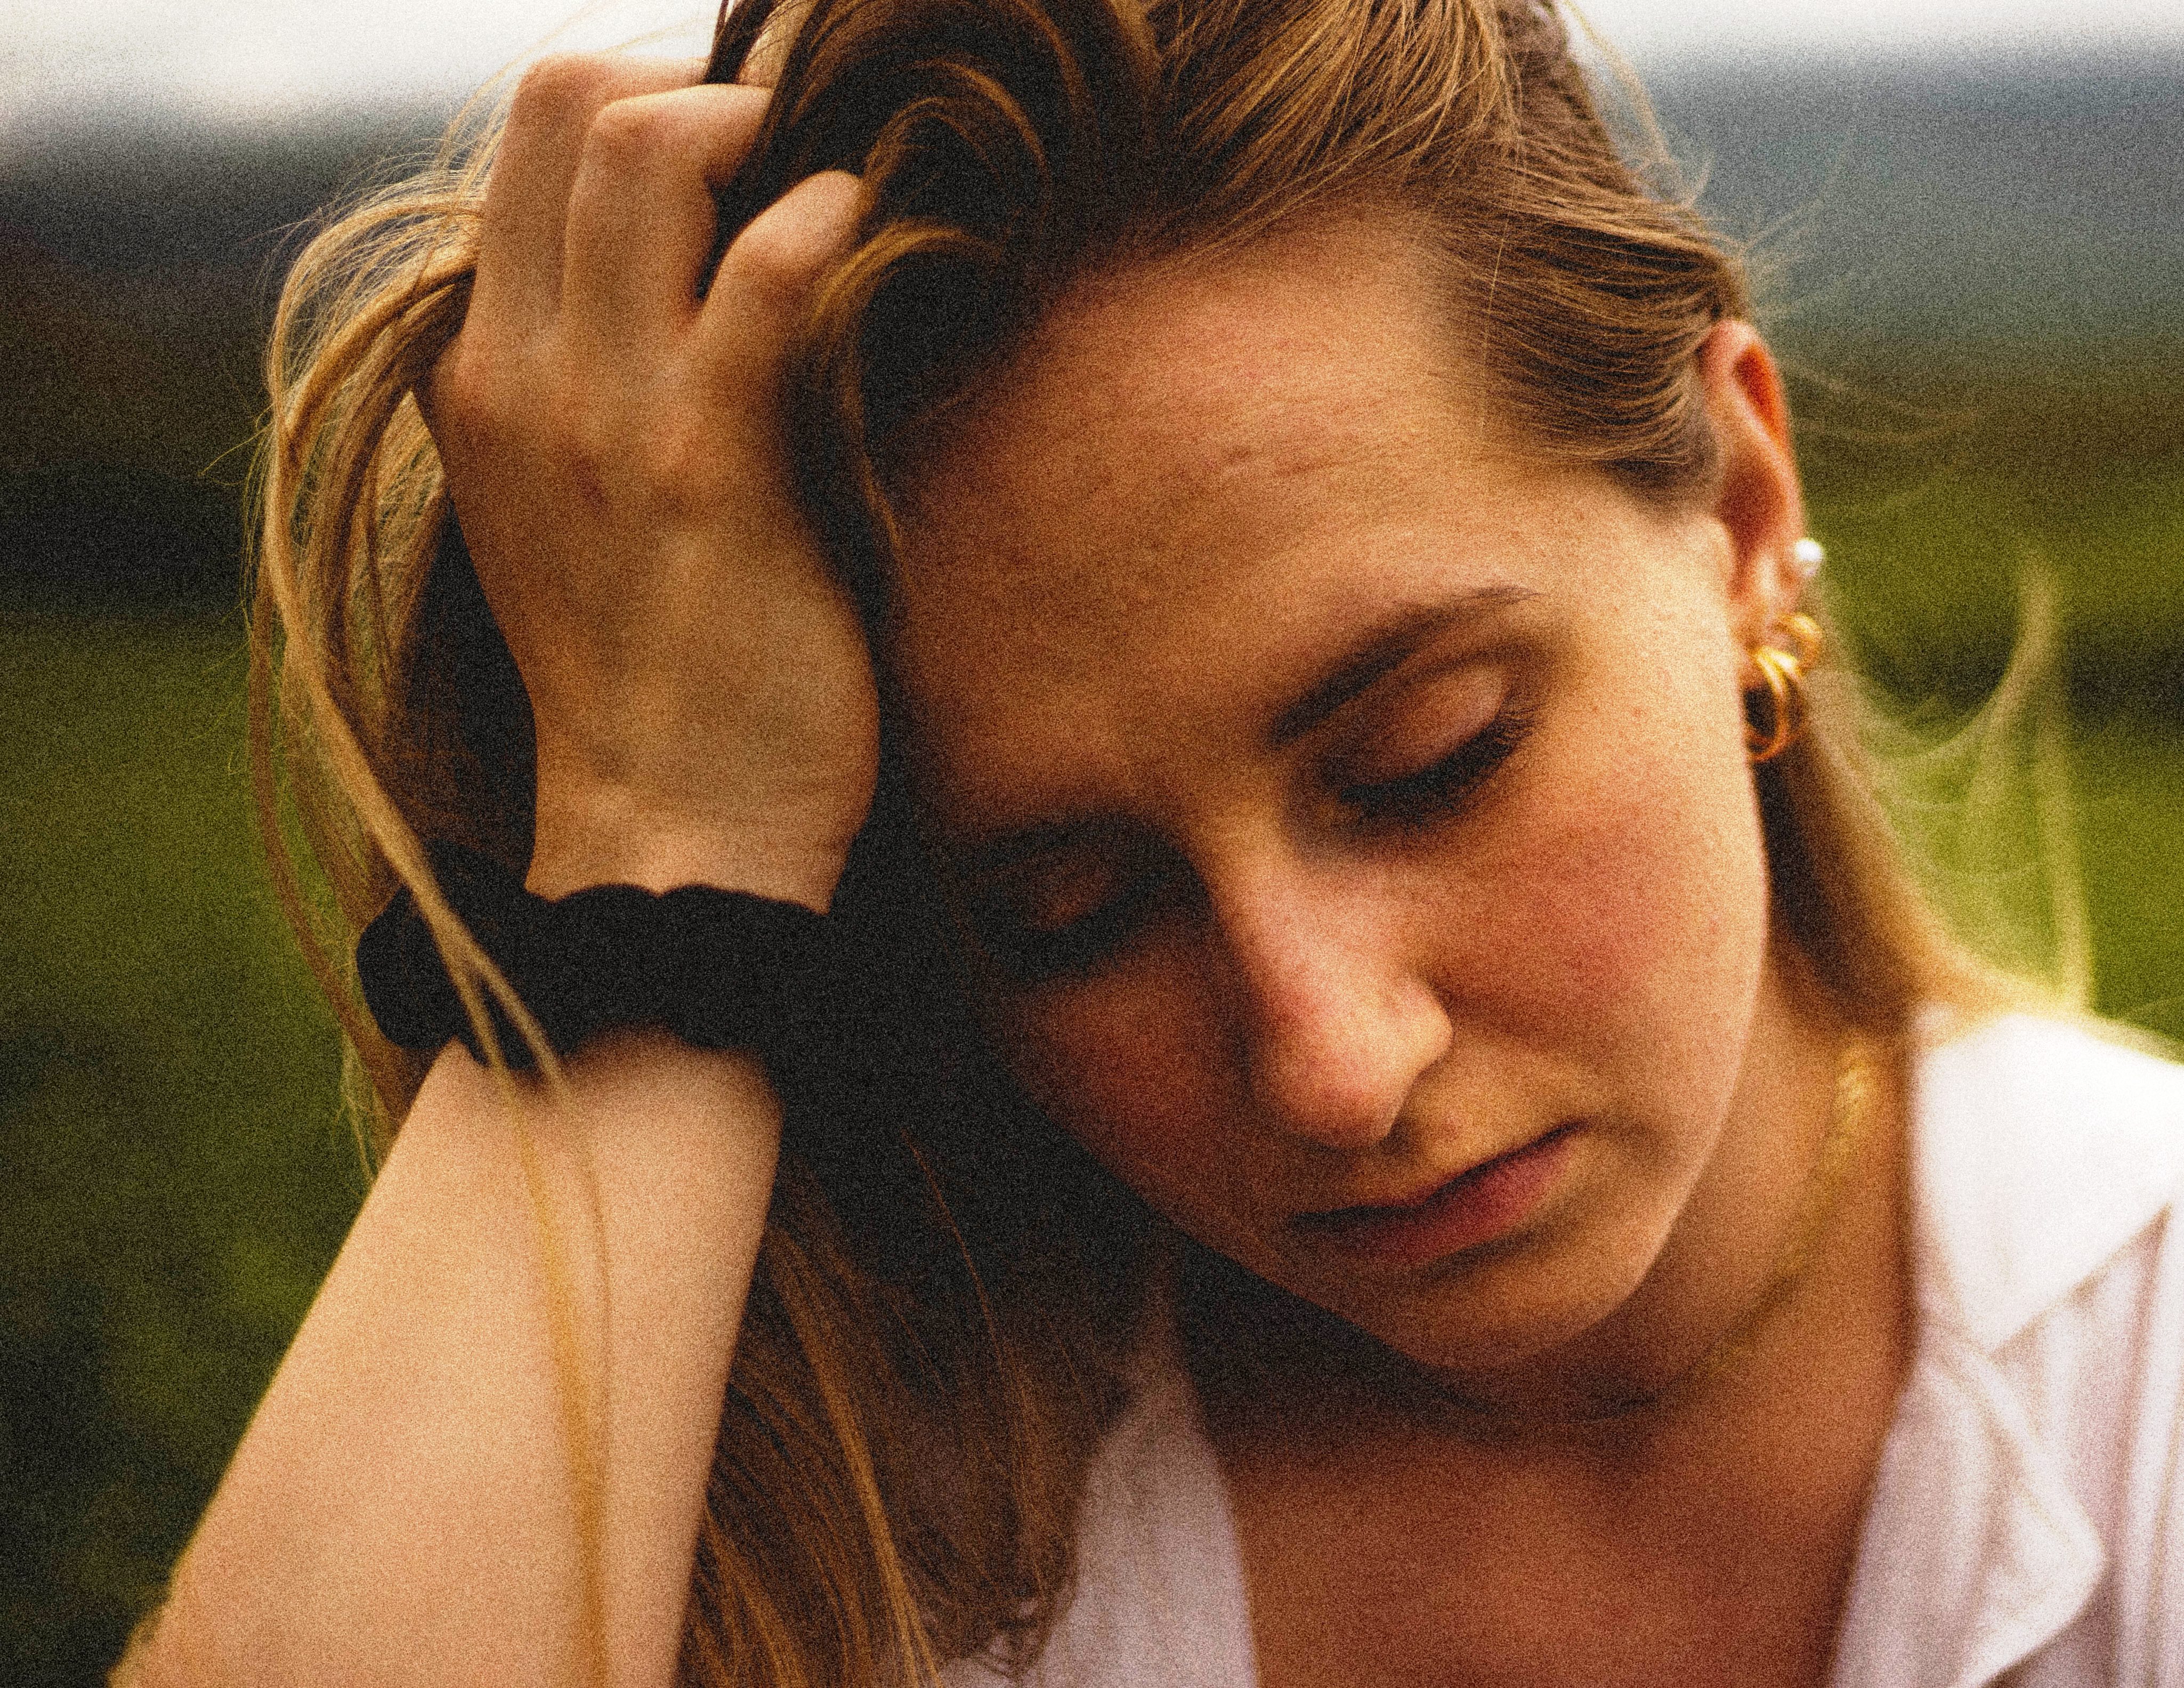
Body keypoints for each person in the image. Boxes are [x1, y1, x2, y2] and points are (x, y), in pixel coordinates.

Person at [119, 1, 2184, 1684]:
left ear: (1735, 518)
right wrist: (653, 857)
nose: (1330, 1067)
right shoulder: (886, 1505)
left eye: (1426, 758)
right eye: (1065, 911)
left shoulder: (2139, 1362)